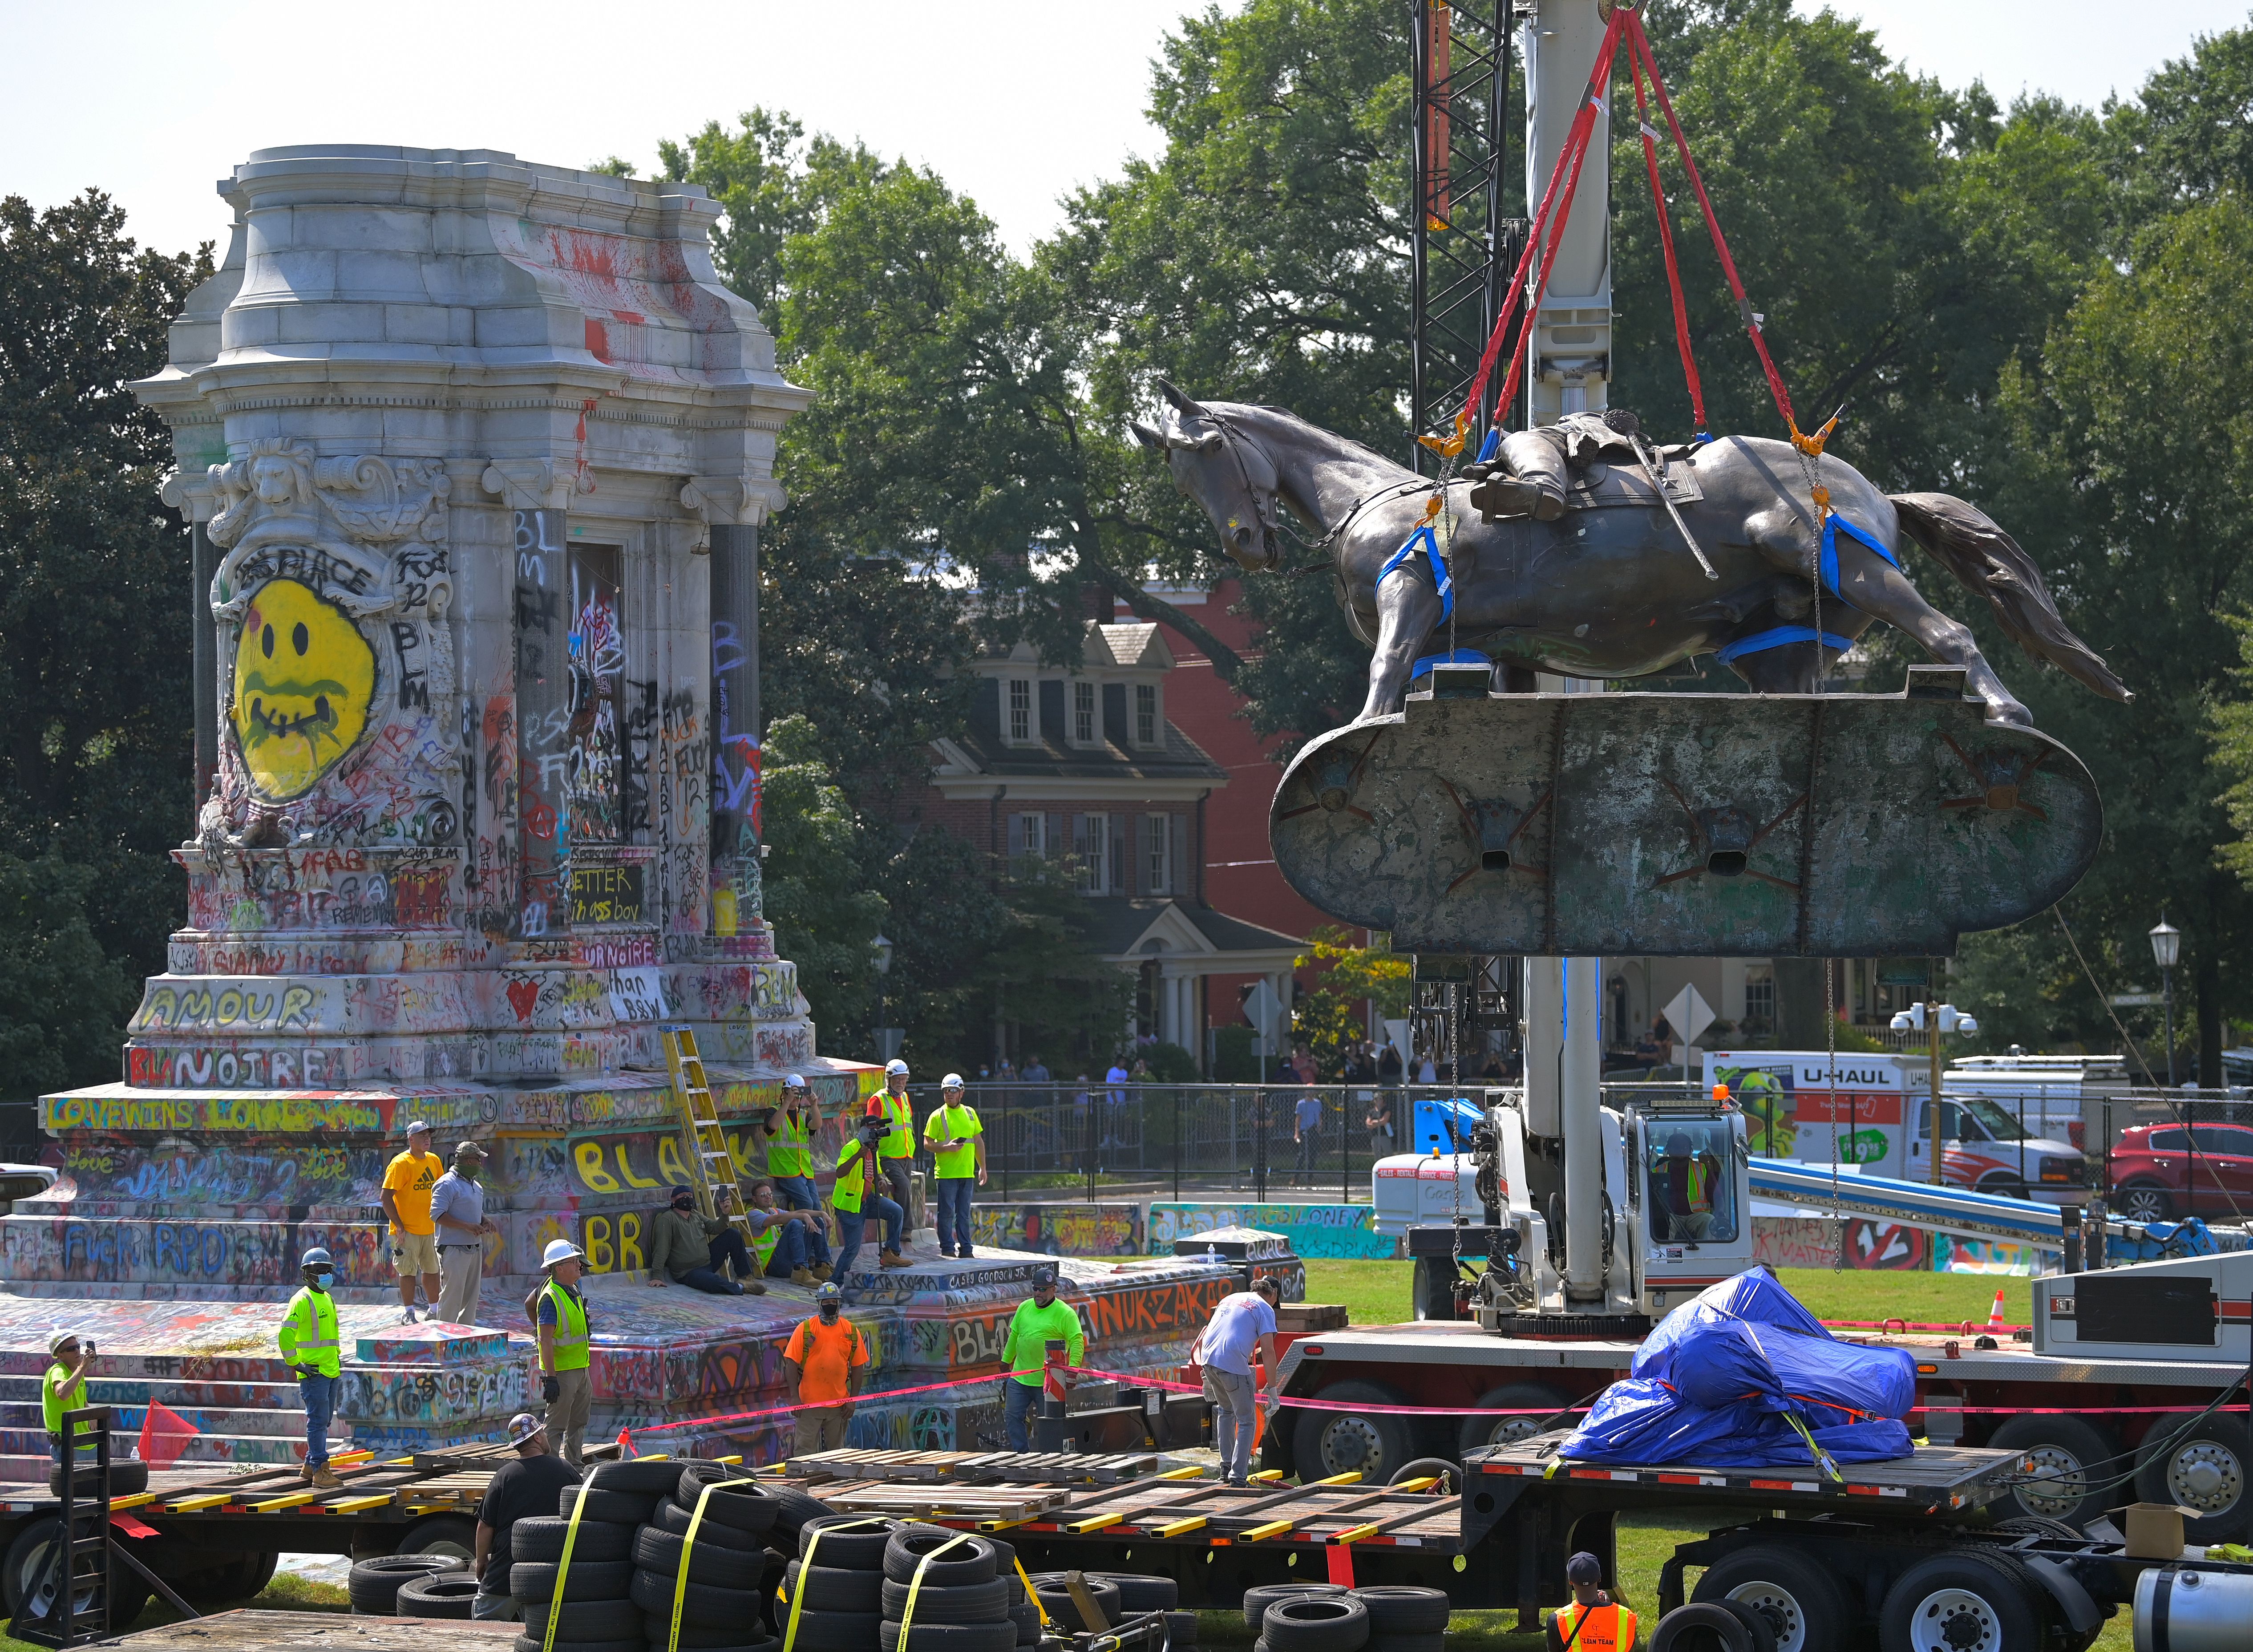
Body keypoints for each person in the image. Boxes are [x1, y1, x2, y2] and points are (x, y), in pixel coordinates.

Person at [472, 1411, 580, 1621]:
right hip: (551, 1576)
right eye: (544, 1433)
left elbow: (485, 1526)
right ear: (538, 1437)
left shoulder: (504, 1475)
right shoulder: (566, 1470)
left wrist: (482, 1561)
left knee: (484, 1633)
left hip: (505, 1575)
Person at [1191, 1274, 1279, 1486]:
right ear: (1273, 1294)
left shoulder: (1230, 1299)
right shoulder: (1265, 1308)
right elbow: (1268, 1351)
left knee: (1226, 1412)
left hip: (1209, 1360)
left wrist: (1206, 1376)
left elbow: (1207, 1335)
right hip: (1231, 1365)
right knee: (1248, 1420)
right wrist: (1273, 1391)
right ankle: (1238, 1477)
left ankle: (1226, 1468)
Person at [279, 1246, 344, 1489]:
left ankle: (309, 1465)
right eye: (319, 1270)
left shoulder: (327, 1298)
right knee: (318, 1421)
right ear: (307, 1274)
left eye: (327, 1270)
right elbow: (286, 1334)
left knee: (324, 1420)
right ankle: (320, 1469)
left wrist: (337, 1358)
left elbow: (332, 1335)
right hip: (314, 1372)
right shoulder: (302, 1300)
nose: (325, 1274)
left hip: (330, 1369)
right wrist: (296, 1364)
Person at [998, 1267, 1084, 1451]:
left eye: (1043, 1289)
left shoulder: (1065, 1313)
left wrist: (1073, 1372)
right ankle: (1021, 1456)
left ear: (1054, 1289)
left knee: (1051, 1422)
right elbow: (1015, 1335)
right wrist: (1006, 1361)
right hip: (1020, 1377)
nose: (1038, 1293)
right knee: (1012, 1416)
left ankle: (1050, 1457)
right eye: (1035, 1288)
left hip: (1050, 1382)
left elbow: (1077, 1342)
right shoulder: (1024, 1307)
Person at [782, 1284, 869, 1455]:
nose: (830, 1305)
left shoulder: (850, 1331)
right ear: (819, 1304)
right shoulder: (806, 1330)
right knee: (804, 1452)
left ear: (839, 1303)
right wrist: (794, 1397)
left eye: (834, 1302)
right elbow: (790, 1363)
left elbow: (859, 1366)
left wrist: (853, 1399)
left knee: (837, 1453)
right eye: (826, 1302)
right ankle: (805, 1480)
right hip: (808, 1404)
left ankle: (835, 1481)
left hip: (839, 1406)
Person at [530, 1239, 592, 1466]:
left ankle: (575, 1463)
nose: (579, 1265)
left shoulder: (572, 1290)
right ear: (559, 1268)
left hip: (580, 1368)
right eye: (574, 1262)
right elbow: (545, 1339)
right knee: (556, 1425)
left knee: (579, 1420)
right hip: (563, 1373)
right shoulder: (551, 1297)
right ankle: (552, 1468)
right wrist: (551, 1378)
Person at [646, 1185, 767, 1295]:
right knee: (712, 1283)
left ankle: (745, 1277)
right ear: (673, 1200)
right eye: (683, 1196)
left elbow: (715, 1228)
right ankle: (741, 1287)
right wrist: (657, 1276)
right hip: (688, 1272)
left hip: (708, 1262)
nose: (687, 1199)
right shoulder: (668, 1219)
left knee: (733, 1234)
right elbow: (661, 1248)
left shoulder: (695, 1215)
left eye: (690, 1196)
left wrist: (725, 1214)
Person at [380, 1120, 444, 1324]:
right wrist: (398, 1225)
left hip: (431, 1227)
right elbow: (386, 1197)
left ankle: (434, 1310)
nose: (427, 1139)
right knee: (407, 1271)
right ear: (411, 1139)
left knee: (433, 1270)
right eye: (422, 1136)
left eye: (428, 1135)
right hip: (407, 1230)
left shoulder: (433, 1160)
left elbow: (442, 1189)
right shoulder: (401, 1163)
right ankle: (408, 1312)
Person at [429, 1140, 497, 1325]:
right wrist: (466, 1226)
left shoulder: (476, 1186)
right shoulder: (446, 1184)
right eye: (477, 1160)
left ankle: (466, 1336)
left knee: (471, 1298)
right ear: (468, 1161)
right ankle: (444, 1336)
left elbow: (470, 1209)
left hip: (475, 1247)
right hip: (454, 1248)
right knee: (452, 1296)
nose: (480, 1165)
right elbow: (437, 1214)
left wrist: (483, 1220)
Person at [923, 1072, 987, 1259]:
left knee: (964, 1214)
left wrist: (982, 1167)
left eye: (953, 1091)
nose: (949, 1094)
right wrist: (946, 1147)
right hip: (946, 1174)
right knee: (947, 1214)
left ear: (962, 1093)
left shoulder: (970, 1113)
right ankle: (948, 1249)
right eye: (946, 1091)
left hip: (967, 1173)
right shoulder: (937, 1116)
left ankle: (966, 1250)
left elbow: (978, 1141)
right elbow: (927, 1144)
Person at [832, 1114, 906, 1272]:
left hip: (868, 1200)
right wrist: (858, 1155)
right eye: (873, 1130)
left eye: (878, 1130)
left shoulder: (874, 1149)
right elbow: (839, 1172)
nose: (876, 1133)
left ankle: (891, 1253)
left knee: (896, 1211)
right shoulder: (851, 1148)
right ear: (864, 1130)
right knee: (852, 1250)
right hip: (849, 1205)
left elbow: (877, 1173)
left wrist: (882, 1181)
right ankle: (836, 1282)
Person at [1546, 1551, 1635, 1652]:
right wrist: (1608, 1608)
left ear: (1570, 1581)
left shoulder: (1557, 1620)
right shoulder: (1627, 1617)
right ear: (1599, 1578)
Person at [747, 1179, 831, 1284]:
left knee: (817, 1221)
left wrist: (821, 1214)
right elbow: (778, 1219)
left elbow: (797, 1212)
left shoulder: (774, 1211)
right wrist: (804, 1217)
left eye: (770, 1194)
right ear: (754, 1199)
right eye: (763, 1195)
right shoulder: (752, 1215)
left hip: (788, 1258)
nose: (768, 1197)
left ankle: (821, 1266)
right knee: (795, 1223)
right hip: (774, 1265)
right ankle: (800, 1271)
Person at [863, 1059, 918, 1220]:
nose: (901, 1083)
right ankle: (905, 1230)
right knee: (904, 1185)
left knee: (903, 1191)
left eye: (904, 1079)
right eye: (897, 1079)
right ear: (889, 1080)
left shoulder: (905, 1098)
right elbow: (869, 1129)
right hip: (887, 1156)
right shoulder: (878, 1099)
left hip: (906, 1155)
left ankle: (897, 1226)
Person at [762, 1074, 823, 1211]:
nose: (796, 1098)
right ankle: (806, 1230)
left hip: (805, 1170)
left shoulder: (803, 1114)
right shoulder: (774, 1111)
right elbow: (773, 1126)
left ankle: (817, 1232)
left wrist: (814, 1105)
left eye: (798, 1094)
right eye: (793, 1093)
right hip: (785, 1171)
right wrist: (787, 1102)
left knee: (818, 1209)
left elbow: (817, 1125)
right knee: (807, 1205)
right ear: (785, 1092)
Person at [42, 1331, 94, 1482]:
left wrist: (92, 1414)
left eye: (77, 1347)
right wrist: (82, 1368)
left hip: (87, 1443)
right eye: (71, 1349)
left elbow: (82, 1401)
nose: (77, 1351)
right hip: (67, 1445)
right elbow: (63, 1393)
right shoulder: (58, 1371)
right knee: (69, 1491)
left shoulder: (78, 1373)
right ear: (60, 1355)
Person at [1652, 1130, 1722, 1242]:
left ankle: (1704, 1256)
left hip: (1696, 1216)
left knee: (1709, 1220)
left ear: (1690, 1150)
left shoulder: (1702, 1169)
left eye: (1684, 1147)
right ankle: (1664, 1257)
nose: (1680, 1150)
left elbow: (1717, 1197)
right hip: (1671, 1216)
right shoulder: (1657, 1172)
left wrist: (1720, 1213)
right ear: (1668, 1150)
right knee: (1662, 1224)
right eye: (1676, 1147)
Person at [1292, 1087, 1324, 1186]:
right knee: (1302, 1155)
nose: (1310, 1092)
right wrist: (1297, 1132)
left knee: (1313, 1155)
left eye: (1312, 1090)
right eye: (1309, 1090)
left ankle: (1310, 1178)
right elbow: (1298, 1118)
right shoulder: (1301, 1104)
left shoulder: (1318, 1103)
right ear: (1305, 1092)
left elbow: (1319, 1115)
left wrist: (1320, 1126)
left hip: (1314, 1130)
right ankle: (1296, 1178)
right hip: (1304, 1131)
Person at [1364, 1090, 1396, 1162]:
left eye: (1380, 1099)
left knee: (1388, 1155)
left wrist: (1374, 1123)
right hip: (1375, 1136)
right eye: (1376, 1099)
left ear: (1383, 1100)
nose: (1378, 1101)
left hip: (1385, 1135)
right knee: (1377, 1156)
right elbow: (1368, 1124)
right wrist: (1377, 1123)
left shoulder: (1386, 1110)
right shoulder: (1371, 1111)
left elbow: (1384, 1121)